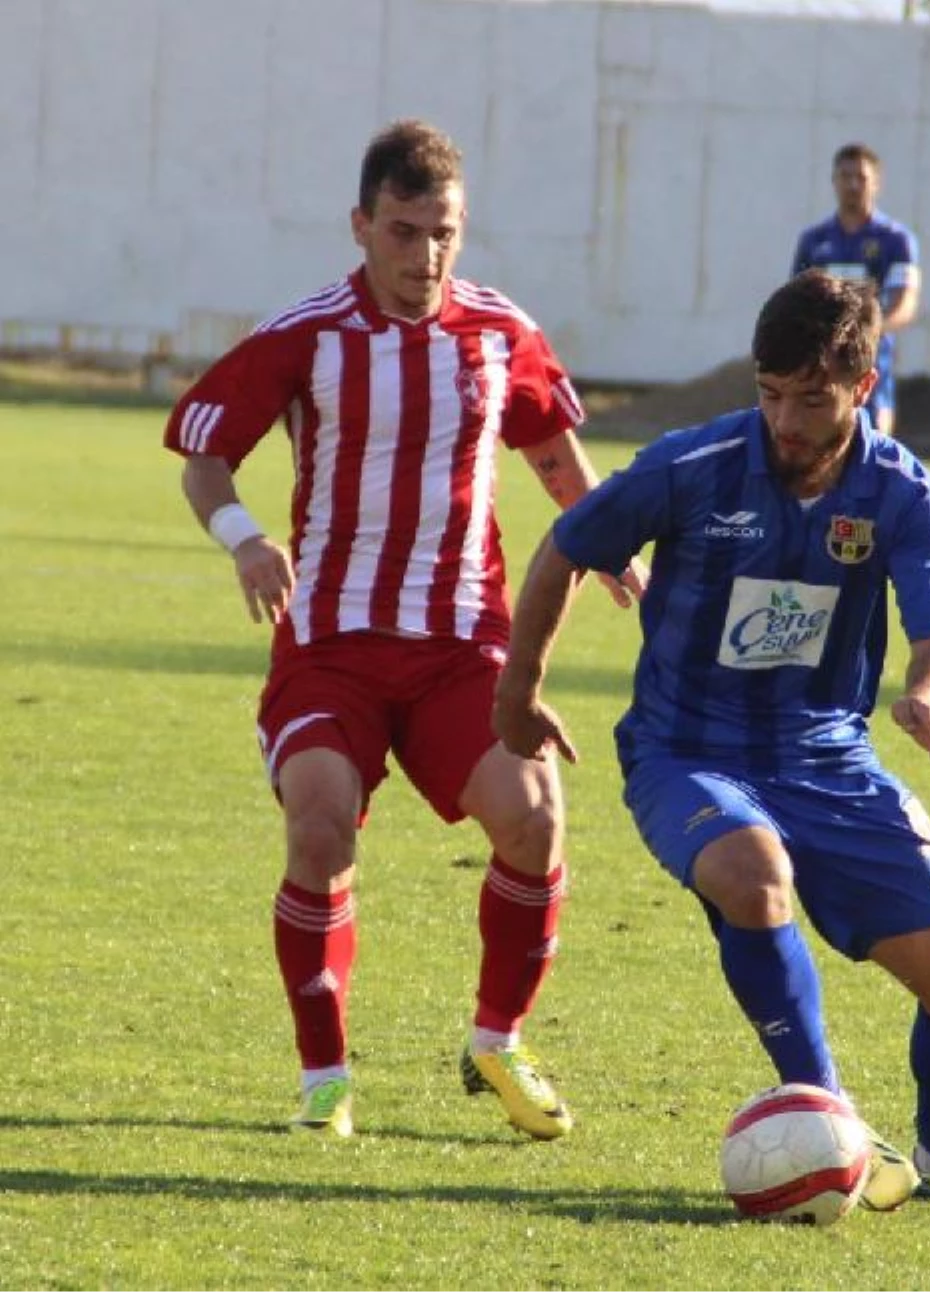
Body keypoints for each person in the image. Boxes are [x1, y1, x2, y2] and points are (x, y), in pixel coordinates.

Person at [493, 270, 930, 1216]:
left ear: (862, 387)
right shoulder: (692, 465)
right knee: (754, 879)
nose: (785, 419)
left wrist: (927, 696)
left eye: (812, 398)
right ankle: (834, 1118)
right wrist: (519, 689)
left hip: (829, 759)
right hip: (687, 751)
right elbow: (567, 548)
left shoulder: (901, 494)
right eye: (770, 392)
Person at [164, 118, 645, 1142]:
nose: (426, 255)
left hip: (462, 644)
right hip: (330, 644)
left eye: (445, 232)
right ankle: (326, 1078)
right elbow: (204, 457)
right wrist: (246, 539)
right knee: (320, 825)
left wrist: (610, 538)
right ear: (361, 226)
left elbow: (553, 450)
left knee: (535, 815)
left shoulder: (499, 330)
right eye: (404, 231)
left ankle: (498, 1041)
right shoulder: (305, 334)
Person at [790, 143, 920, 438]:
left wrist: (868, 330)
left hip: (868, 360)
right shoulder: (813, 241)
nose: (852, 184)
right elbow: (795, 302)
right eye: (844, 176)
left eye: (860, 177)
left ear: (876, 183)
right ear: (833, 181)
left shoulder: (895, 240)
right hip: (820, 362)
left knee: (870, 441)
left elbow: (905, 302)